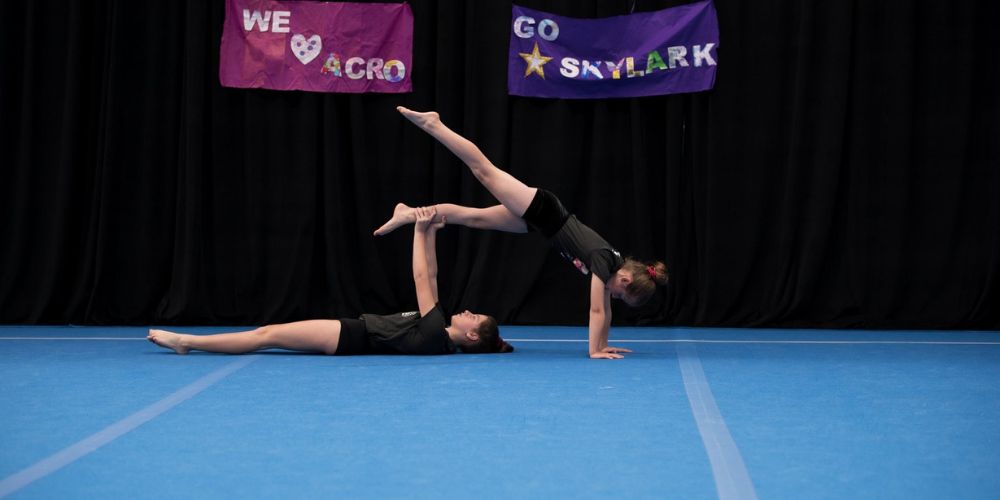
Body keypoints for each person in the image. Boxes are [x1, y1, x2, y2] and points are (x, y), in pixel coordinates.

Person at [375, 107, 667, 360]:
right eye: (620, 295)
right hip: (544, 212)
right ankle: (434, 124)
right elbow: (597, 312)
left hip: (542, 224)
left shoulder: (611, 267)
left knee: (473, 218)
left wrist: (604, 344)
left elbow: (606, 311)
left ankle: (409, 213)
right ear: (625, 280)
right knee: (483, 171)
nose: (614, 297)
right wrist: (595, 350)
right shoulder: (605, 262)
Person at [149, 207, 513, 356]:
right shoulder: (438, 333)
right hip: (353, 335)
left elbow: (420, 276)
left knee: (268, 335)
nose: (467, 311)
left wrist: (418, 229)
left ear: (471, 336)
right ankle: (189, 342)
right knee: (269, 333)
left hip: (350, 337)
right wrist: (430, 230)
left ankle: (187, 342)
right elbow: (431, 274)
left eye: (474, 317)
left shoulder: (436, 332)